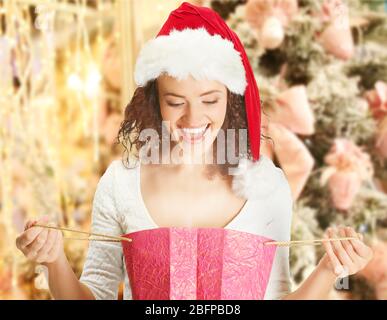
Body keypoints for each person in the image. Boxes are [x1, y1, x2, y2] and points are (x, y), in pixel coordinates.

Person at [16, 2, 373, 300]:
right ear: (155, 101)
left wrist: (330, 269)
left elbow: (276, 296)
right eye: (176, 102)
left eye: (209, 100)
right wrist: (54, 261)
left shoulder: (265, 184)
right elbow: (96, 292)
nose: (193, 118)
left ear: (231, 99)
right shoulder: (121, 183)